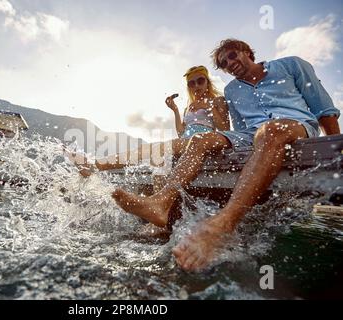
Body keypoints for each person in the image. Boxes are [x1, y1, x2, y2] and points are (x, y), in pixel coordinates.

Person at [111, 39, 341, 271]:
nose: (230, 64)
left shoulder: (291, 65)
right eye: (224, 63)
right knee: (199, 139)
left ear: (247, 52)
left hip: (297, 126)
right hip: (252, 135)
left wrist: (334, 154)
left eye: (232, 56)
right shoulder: (233, 90)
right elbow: (238, 129)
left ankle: (222, 224)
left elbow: (324, 109)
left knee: (271, 130)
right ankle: (161, 202)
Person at [68, 66, 229, 177]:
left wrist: (209, 107)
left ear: (207, 81)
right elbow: (181, 131)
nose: (196, 86)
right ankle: (160, 211)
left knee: (152, 148)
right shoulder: (189, 107)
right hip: (185, 142)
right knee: (156, 160)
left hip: (204, 143)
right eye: (191, 83)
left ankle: (96, 165)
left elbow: (226, 130)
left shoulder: (218, 101)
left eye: (200, 81)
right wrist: (175, 111)